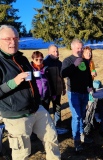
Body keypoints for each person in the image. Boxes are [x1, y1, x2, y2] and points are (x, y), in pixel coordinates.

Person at [0, 25, 60, 159]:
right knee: (22, 153)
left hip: (36, 109)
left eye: (15, 38)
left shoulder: (22, 58)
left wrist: (38, 100)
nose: (12, 42)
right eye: (7, 39)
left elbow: (32, 82)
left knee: (52, 138)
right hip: (16, 115)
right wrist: (13, 82)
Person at [61, 39, 94, 152]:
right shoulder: (68, 60)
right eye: (78, 48)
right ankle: (76, 141)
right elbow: (63, 74)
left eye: (81, 48)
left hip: (84, 93)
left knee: (82, 115)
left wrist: (90, 86)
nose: (80, 50)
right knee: (76, 117)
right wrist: (74, 65)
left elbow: (88, 76)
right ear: (72, 48)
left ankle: (82, 136)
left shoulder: (84, 61)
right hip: (73, 93)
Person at [43, 44, 67, 134]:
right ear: (49, 52)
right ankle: (45, 126)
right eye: (53, 51)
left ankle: (58, 124)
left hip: (57, 90)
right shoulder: (44, 63)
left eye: (57, 51)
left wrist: (64, 88)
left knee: (57, 108)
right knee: (45, 109)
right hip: (47, 91)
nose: (56, 53)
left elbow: (61, 77)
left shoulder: (60, 63)